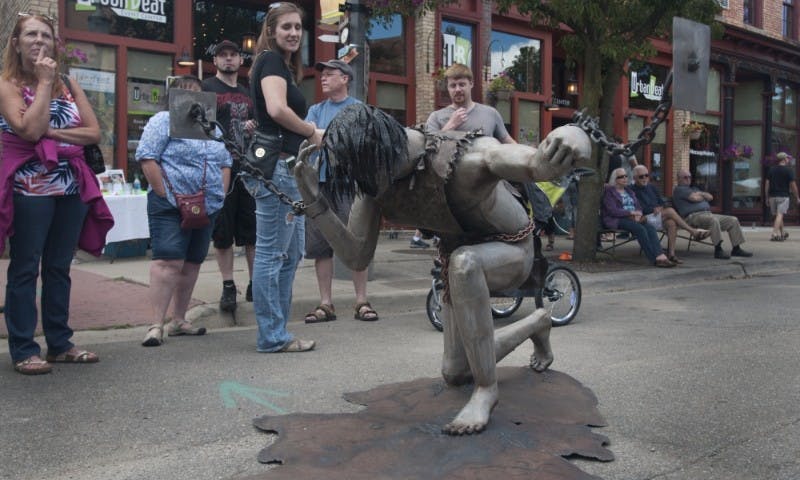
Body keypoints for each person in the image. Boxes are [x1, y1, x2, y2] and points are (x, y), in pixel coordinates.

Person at [293, 102, 591, 435]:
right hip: (459, 262)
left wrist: (572, 134)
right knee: (455, 371)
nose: (368, 185)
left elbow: (535, 164)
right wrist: (313, 199)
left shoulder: (467, 157)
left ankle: (486, 391)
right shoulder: (373, 180)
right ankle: (537, 322)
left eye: (367, 174)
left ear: (384, 152)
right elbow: (356, 257)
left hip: (511, 250)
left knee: (465, 262)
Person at [0, 13, 113, 375]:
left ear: (54, 43)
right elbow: (30, 131)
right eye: (30, 35)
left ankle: (60, 343)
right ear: (16, 43)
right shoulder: (7, 83)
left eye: (45, 35)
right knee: (25, 268)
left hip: (70, 186)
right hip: (28, 189)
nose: (38, 41)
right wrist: (45, 83)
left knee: (59, 267)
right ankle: (23, 348)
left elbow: (94, 133)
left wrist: (56, 135)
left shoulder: (68, 82)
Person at [241, 2, 322, 353]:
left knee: (291, 253)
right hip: (276, 167)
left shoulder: (282, 67)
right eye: (286, 26)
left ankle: (277, 332)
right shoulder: (271, 60)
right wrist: (311, 131)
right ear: (271, 30)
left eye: (298, 27)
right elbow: (275, 110)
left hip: (286, 169)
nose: (293, 33)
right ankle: (272, 336)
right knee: (273, 254)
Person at [135, 75, 232, 346]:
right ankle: (156, 324)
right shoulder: (161, 121)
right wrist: (166, 194)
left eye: (197, 92)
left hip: (207, 204)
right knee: (168, 262)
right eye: (184, 92)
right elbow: (147, 157)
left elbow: (225, 161)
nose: (192, 97)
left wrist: (220, 195)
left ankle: (179, 319)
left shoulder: (213, 128)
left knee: (191, 263)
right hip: (170, 204)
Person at [303, 58, 377, 323]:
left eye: (330, 74)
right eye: (322, 74)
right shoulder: (315, 109)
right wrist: (330, 137)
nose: (323, 78)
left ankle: (362, 301)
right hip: (319, 185)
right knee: (321, 246)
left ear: (345, 78)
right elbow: (310, 138)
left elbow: (360, 143)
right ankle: (326, 304)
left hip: (349, 185)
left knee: (357, 243)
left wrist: (323, 136)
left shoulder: (358, 110)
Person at [202, 40, 256, 313]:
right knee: (223, 232)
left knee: (251, 232)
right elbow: (197, 127)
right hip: (219, 169)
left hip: (248, 168)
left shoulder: (249, 93)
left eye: (233, 55)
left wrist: (252, 126)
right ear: (216, 61)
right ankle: (228, 285)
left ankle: (254, 284)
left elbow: (260, 127)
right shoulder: (207, 88)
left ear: (240, 60)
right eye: (223, 56)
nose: (228, 60)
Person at [630, 164, 709, 263]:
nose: (645, 178)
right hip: (644, 218)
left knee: (671, 222)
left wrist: (660, 207)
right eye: (641, 176)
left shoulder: (651, 187)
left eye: (647, 175)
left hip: (657, 217)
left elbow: (662, 202)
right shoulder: (631, 190)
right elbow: (637, 207)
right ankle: (693, 232)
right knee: (670, 211)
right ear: (634, 178)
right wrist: (653, 209)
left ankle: (671, 255)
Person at [672, 169, 753, 259]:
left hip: (707, 214)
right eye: (685, 177)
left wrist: (700, 193)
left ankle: (736, 249)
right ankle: (718, 250)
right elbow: (694, 198)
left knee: (733, 220)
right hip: (692, 217)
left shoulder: (694, 189)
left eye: (689, 177)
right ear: (678, 179)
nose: (688, 179)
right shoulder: (679, 190)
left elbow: (710, 197)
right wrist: (701, 196)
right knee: (713, 221)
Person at [602, 168, 675, 268]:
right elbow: (612, 210)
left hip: (634, 218)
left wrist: (638, 214)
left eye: (625, 176)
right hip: (618, 219)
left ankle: (660, 255)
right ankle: (654, 258)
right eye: (621, 177)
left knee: (650, 228)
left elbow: (638, 206)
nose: (624, 178)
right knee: (640, 229)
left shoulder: (629, 191)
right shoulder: (610, 192)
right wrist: (630, 213)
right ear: (614, 179)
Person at [765, 152, 798, 241]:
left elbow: (767, 184)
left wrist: (767, 197)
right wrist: (797, 197)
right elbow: (793, 185)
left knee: (778, 215)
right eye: (787, 158)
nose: (788, 159)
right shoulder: (788, 170)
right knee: (780, 215)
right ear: (784, 159)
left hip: (772, 196)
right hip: (783, 196)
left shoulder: (771, 170)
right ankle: (774, 233)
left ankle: (783, 232)